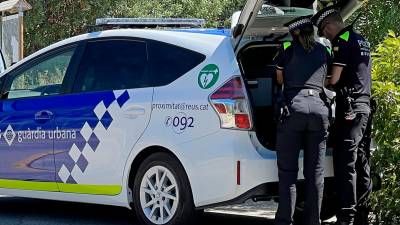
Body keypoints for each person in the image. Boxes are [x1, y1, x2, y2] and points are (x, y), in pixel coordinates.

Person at [311, 5, 373, 225]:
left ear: (329, 26)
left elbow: (334, 79)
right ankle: (363, 215)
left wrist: (316, 81)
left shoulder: (342, 40)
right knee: (361, 162)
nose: (326, 35)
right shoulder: (361, 39)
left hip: (350, 110)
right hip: (364, 107)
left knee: (345, 164)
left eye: (324, 31)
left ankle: (346, 217)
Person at [274, 15, 331, 225]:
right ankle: (312, 221)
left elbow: (279, 78)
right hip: (319, 110)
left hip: (294, 109)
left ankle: (284, 221)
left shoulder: (288, 50)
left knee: (288, 172)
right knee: (315, 172)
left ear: (295, 33)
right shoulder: (324, 51)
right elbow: (327, 79)